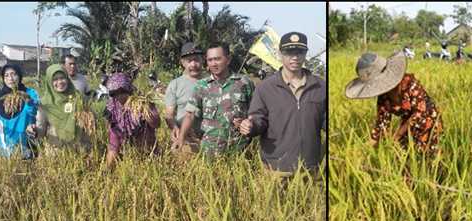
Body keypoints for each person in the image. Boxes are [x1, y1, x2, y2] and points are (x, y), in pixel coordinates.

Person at [237, 32, 327, 174]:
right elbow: (258, 120)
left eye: (300, 52)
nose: (295, 57)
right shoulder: (266, 87)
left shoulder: (320, 86)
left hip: (310, 169)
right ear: (280, 54)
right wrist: (250, 126)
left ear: (305, 54)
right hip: (276, 169)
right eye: (289, 52)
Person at [345, 51, 443, 154]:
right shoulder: (383, 97)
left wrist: (398, 134)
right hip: (406, 125)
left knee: (431, 158)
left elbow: (420, 112)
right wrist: (362, 150)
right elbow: (381, 126)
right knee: (402, 157)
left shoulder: (409, 81)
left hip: (428, 121)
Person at [173, 42, 255, 157]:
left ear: (228, 59)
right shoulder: (202, 86)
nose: (213, 64)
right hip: (211, 151)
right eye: (210, 60)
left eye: (217, 59)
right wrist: (181, 138)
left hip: (240, 149)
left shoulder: (244, 83)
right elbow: (190, 114)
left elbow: (256, 112)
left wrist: (250, 123)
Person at [0, 63, 40, 159]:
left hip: (29, 146)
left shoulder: (30, 93)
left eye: (13, 74)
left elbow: (35, 112)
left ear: (19, 75)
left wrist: (27, 99)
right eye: (6, 75)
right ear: (3, 79)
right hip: (6, 149)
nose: (10, 78)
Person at [103, 73, 161, 171]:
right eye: (115, 94)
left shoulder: (143, 102)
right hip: (128, 159)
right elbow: (114, 142)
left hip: (149, 156)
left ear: (128, 89)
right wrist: (107, 167)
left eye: (121, 92)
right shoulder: (113, 109)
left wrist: (145, 111)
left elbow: (156, 124)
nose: (119, 97)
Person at [164, 42, 208, 161]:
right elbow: (169, 115)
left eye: (196, 60)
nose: (193, 64)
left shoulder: (212, 82)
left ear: (203, 60)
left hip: (211, 136)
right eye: (189, 61)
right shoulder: (175, 85)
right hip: (187, 136)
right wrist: (175, 128)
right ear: (183, 63)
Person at [36, 64, 91, 152]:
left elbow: (90, 120)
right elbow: (41, 130)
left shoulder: (78, 98)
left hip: (79, 151)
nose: (60, 82)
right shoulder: (45, 103)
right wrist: (34, 130)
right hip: (56, 153)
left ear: (67, 78)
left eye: (62, 78)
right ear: (49, 82)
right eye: (55, 79)